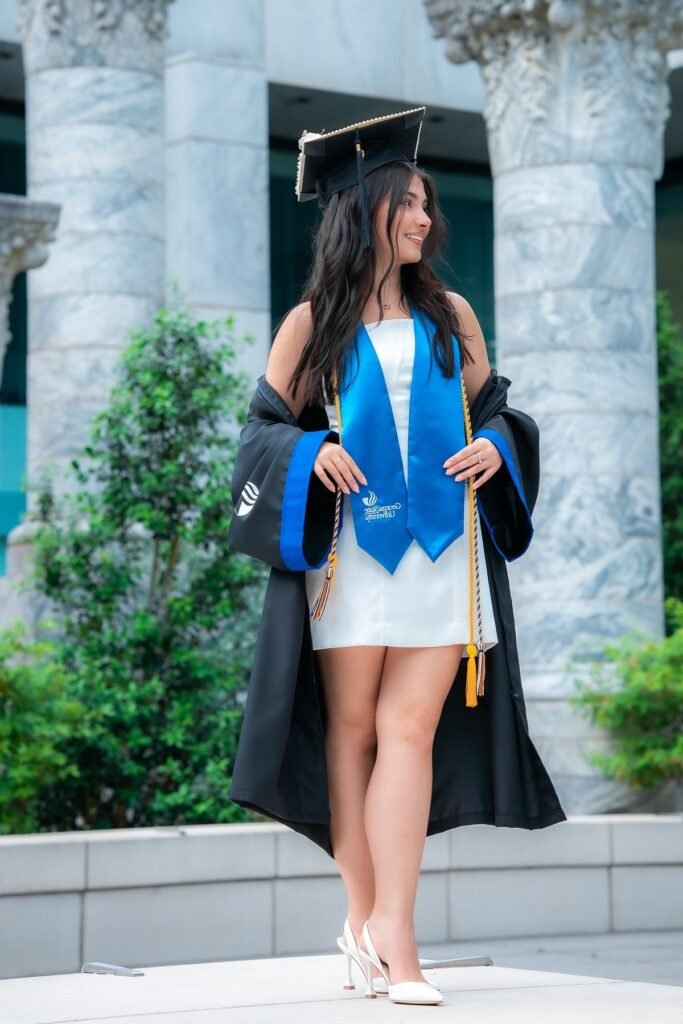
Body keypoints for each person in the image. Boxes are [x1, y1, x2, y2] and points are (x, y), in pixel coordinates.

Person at [227, 107, 567, 1007]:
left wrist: (495, 445)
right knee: (352, 731)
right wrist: (310, 453)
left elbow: (496, 412)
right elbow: (261, 434)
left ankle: (396, 936)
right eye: (406, 203)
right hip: (348, 555)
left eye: (425, 204)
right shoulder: (312, 327)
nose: (422, 219)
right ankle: (360, 915)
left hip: (440, 552)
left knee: (409, 729)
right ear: (364, 209)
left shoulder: (450, 316)